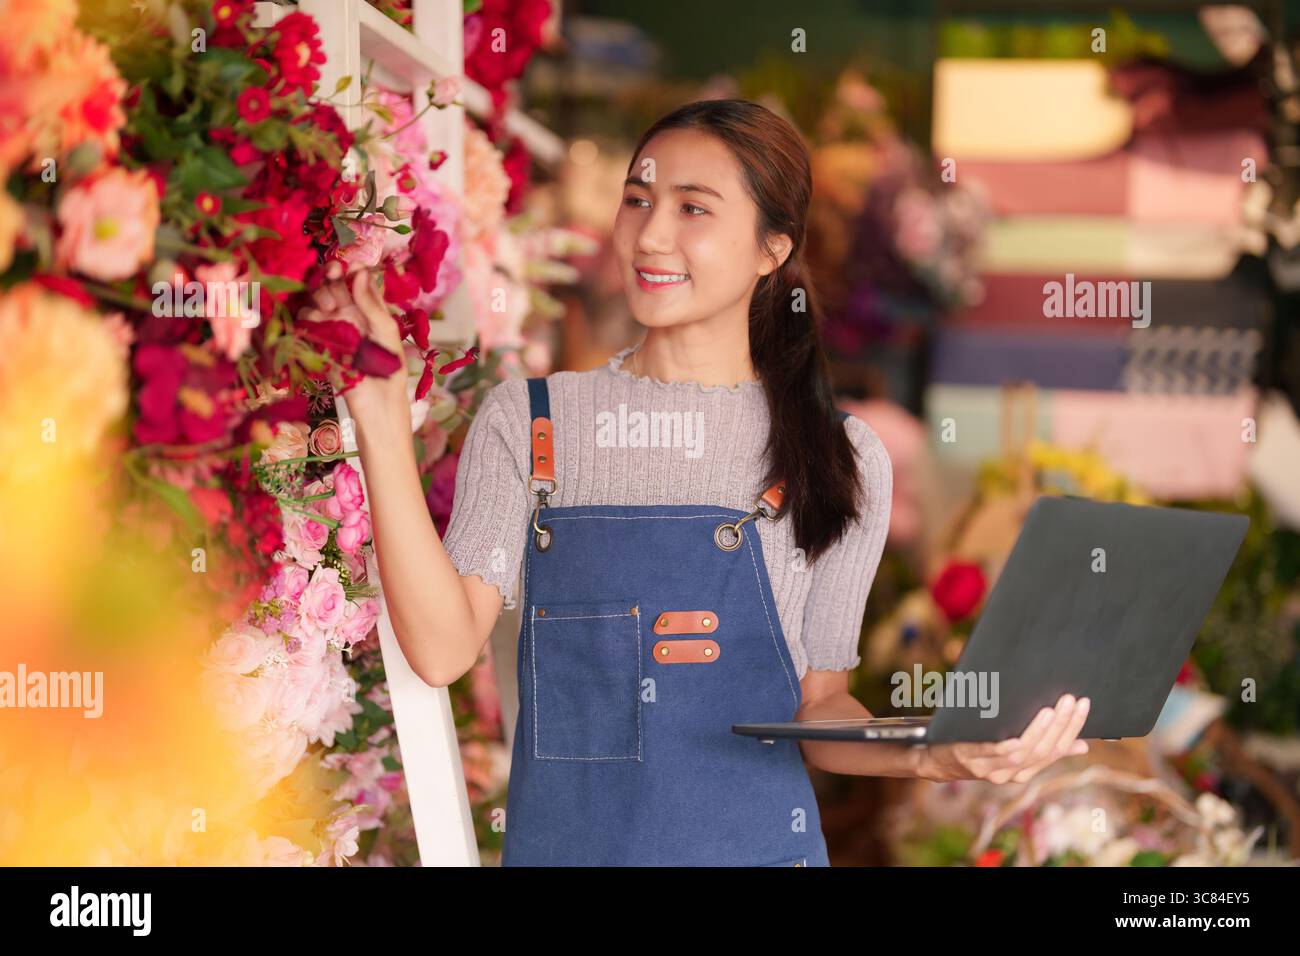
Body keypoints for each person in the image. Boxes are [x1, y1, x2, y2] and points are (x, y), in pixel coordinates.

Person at [303, 98, 1091, 867]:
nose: (650, 235)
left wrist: (933, 757)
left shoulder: (841, 454)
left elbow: (822, 706)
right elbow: (440, 650)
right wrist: (377, 411)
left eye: (693, 208)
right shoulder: (534, 423)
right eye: (637, 199)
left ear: (771, 248)